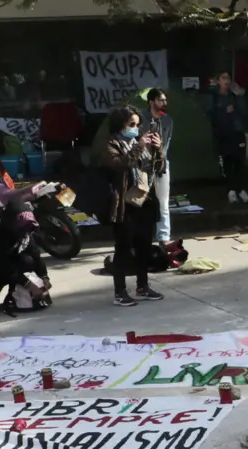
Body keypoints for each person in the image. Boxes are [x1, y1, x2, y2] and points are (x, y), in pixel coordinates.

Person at [101, 105, 165, 306]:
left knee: (144, 247)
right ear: (121, 125)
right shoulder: (112, 144)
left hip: (144, 201)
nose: (136, 128)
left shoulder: (139, 144)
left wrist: (158, 149)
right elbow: (120, 164)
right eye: (131, 124)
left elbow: (158, 169)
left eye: (138, 125)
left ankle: (142, 286)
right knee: (123, 249)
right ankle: (120, 292)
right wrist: (139, 147)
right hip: (124, 204)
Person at [0, 198, 50, 311]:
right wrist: (28, 284)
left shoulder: (27, 232)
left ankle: (13, 296)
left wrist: (44, 277)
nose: (26, 230)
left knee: (28, 261)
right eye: (22, 226)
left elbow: (36, 257)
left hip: (10, 261)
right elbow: (3, 265)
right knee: (2, 273)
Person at [208, 71, 248, 203]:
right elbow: (212, 116)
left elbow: (245, 112)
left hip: (237, 132)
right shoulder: (214, 97)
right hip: (224, 134)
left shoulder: (235, 95)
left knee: (240, 162)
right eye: (224, 78)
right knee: (228, 163)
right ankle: (231, 190)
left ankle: (241, 189)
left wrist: (239, 96)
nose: (227, 81)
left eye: (228, 78)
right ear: (218, 81)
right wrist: (223, 112)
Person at [145, 88, 174, 247]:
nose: (164, 103)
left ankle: (163, 236)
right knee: (142, 201)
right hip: (143, 164)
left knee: (163, 201)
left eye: (164, 100)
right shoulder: (142, 118)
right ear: (151, 102)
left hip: (160, 163)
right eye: (160, 100)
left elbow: (166, 145)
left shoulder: (167, 120)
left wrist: (160, 150)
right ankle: (143, 235)